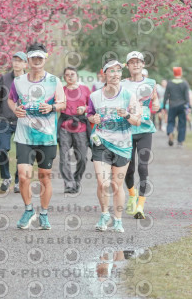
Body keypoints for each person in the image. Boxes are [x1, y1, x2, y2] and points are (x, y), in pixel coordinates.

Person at [8, 43, 65, 230]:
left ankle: (44, 214)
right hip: (24, 136)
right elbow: (11, 99)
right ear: (28, 59)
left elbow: (63, 103)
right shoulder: (18, 81)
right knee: (23, 176)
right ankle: (28, 209)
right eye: (33, 58)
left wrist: (52, 107)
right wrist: (15, 109)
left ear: (45, 59)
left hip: (46, 137)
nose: (37, 61)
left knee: (44, 177)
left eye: (40, 58)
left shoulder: (54, 81)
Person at [87, 60, 142, 233]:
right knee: (103, 182)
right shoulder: (95, 96)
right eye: (111, 71)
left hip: (123, 145)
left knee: (117, 185)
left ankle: (118, 220)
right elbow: (90, 114)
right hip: (101, 142)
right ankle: (104, 215)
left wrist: (126, 115)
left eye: (118, 71)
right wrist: (93, 119)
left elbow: (137, 121)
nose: (115, 74)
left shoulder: (128, 96)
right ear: (104, 73)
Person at [122, 51, 160, 219]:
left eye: (138, 62)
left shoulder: (151, 83)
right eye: (132, 62)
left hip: (145, 129)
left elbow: (155, 99)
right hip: (127, 130)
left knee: (143, 167)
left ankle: (140, 206)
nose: (136, 64)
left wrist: (156, 104)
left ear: (143, 64)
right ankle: (132, 195)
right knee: (128, 169)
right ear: (128, 66)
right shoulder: (122, 84)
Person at [0, 52, 27, 193]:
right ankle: (6, 177)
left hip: (22, 122)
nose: (16, 63)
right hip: (5, 120)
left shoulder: (29, 80)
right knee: (2, 150)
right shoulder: (4, 79)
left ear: (25, 64)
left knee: (21, 153)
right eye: (15, 60)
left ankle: (18, 181)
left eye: (20, 61)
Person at [58, 67, 91, 194]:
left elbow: (92, 107)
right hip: (64, 127)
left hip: (81, 127)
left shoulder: (85, 89)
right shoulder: (61, 90)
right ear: (64, 77)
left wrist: (85, 109)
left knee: (82, 158)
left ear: (77, 76)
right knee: (64, 157)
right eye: (67, 75)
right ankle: (69, 183)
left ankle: (76, 180)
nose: (70, 76)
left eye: (72, 74)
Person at [163, 67, 190, 147]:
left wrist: (164, 106)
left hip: (172, 105)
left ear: (174, 74)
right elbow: (187, 97)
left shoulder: (170, 83)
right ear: (180, 73)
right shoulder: (185, 83)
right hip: (182, 106)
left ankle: (170, 132)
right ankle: (180, 142)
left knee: (171, 121)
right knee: (182, 123)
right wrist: (188, 107)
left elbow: (166, 95)